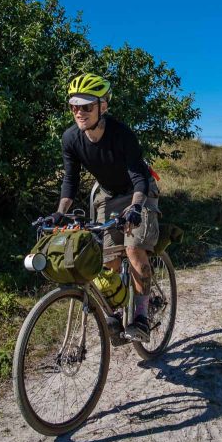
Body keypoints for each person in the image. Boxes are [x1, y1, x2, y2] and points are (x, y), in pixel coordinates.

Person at [48, 73, 160, 342]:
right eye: (75, 106)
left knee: (134, 248)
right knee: (107, 258)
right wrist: (60, 212)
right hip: (107, 195)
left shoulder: (122, 135)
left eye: (87, 106)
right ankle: (119, 310)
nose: (80, 112)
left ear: (103, 106)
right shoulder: (71, 139)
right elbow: (70, 180)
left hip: (139, 193)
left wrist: (135, 209)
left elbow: (139, 177)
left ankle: (142, 315)